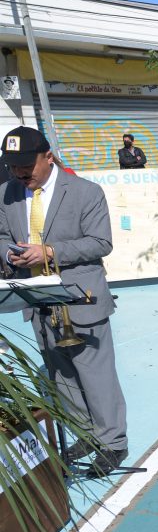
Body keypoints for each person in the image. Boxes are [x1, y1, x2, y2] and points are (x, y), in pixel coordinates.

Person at [0, 126, 129, 477]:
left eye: (26, 165)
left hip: (81, 298)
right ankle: (86, 434)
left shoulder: (86, 192)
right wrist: (10, 254)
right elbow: (1, 237)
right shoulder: (6, 193)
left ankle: (113, 442)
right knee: (61, 376)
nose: (19, 173)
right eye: (12, 166)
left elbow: (100, 242)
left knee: (96, 375)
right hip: (37, 299)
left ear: (49, 157)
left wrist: (50, 251)